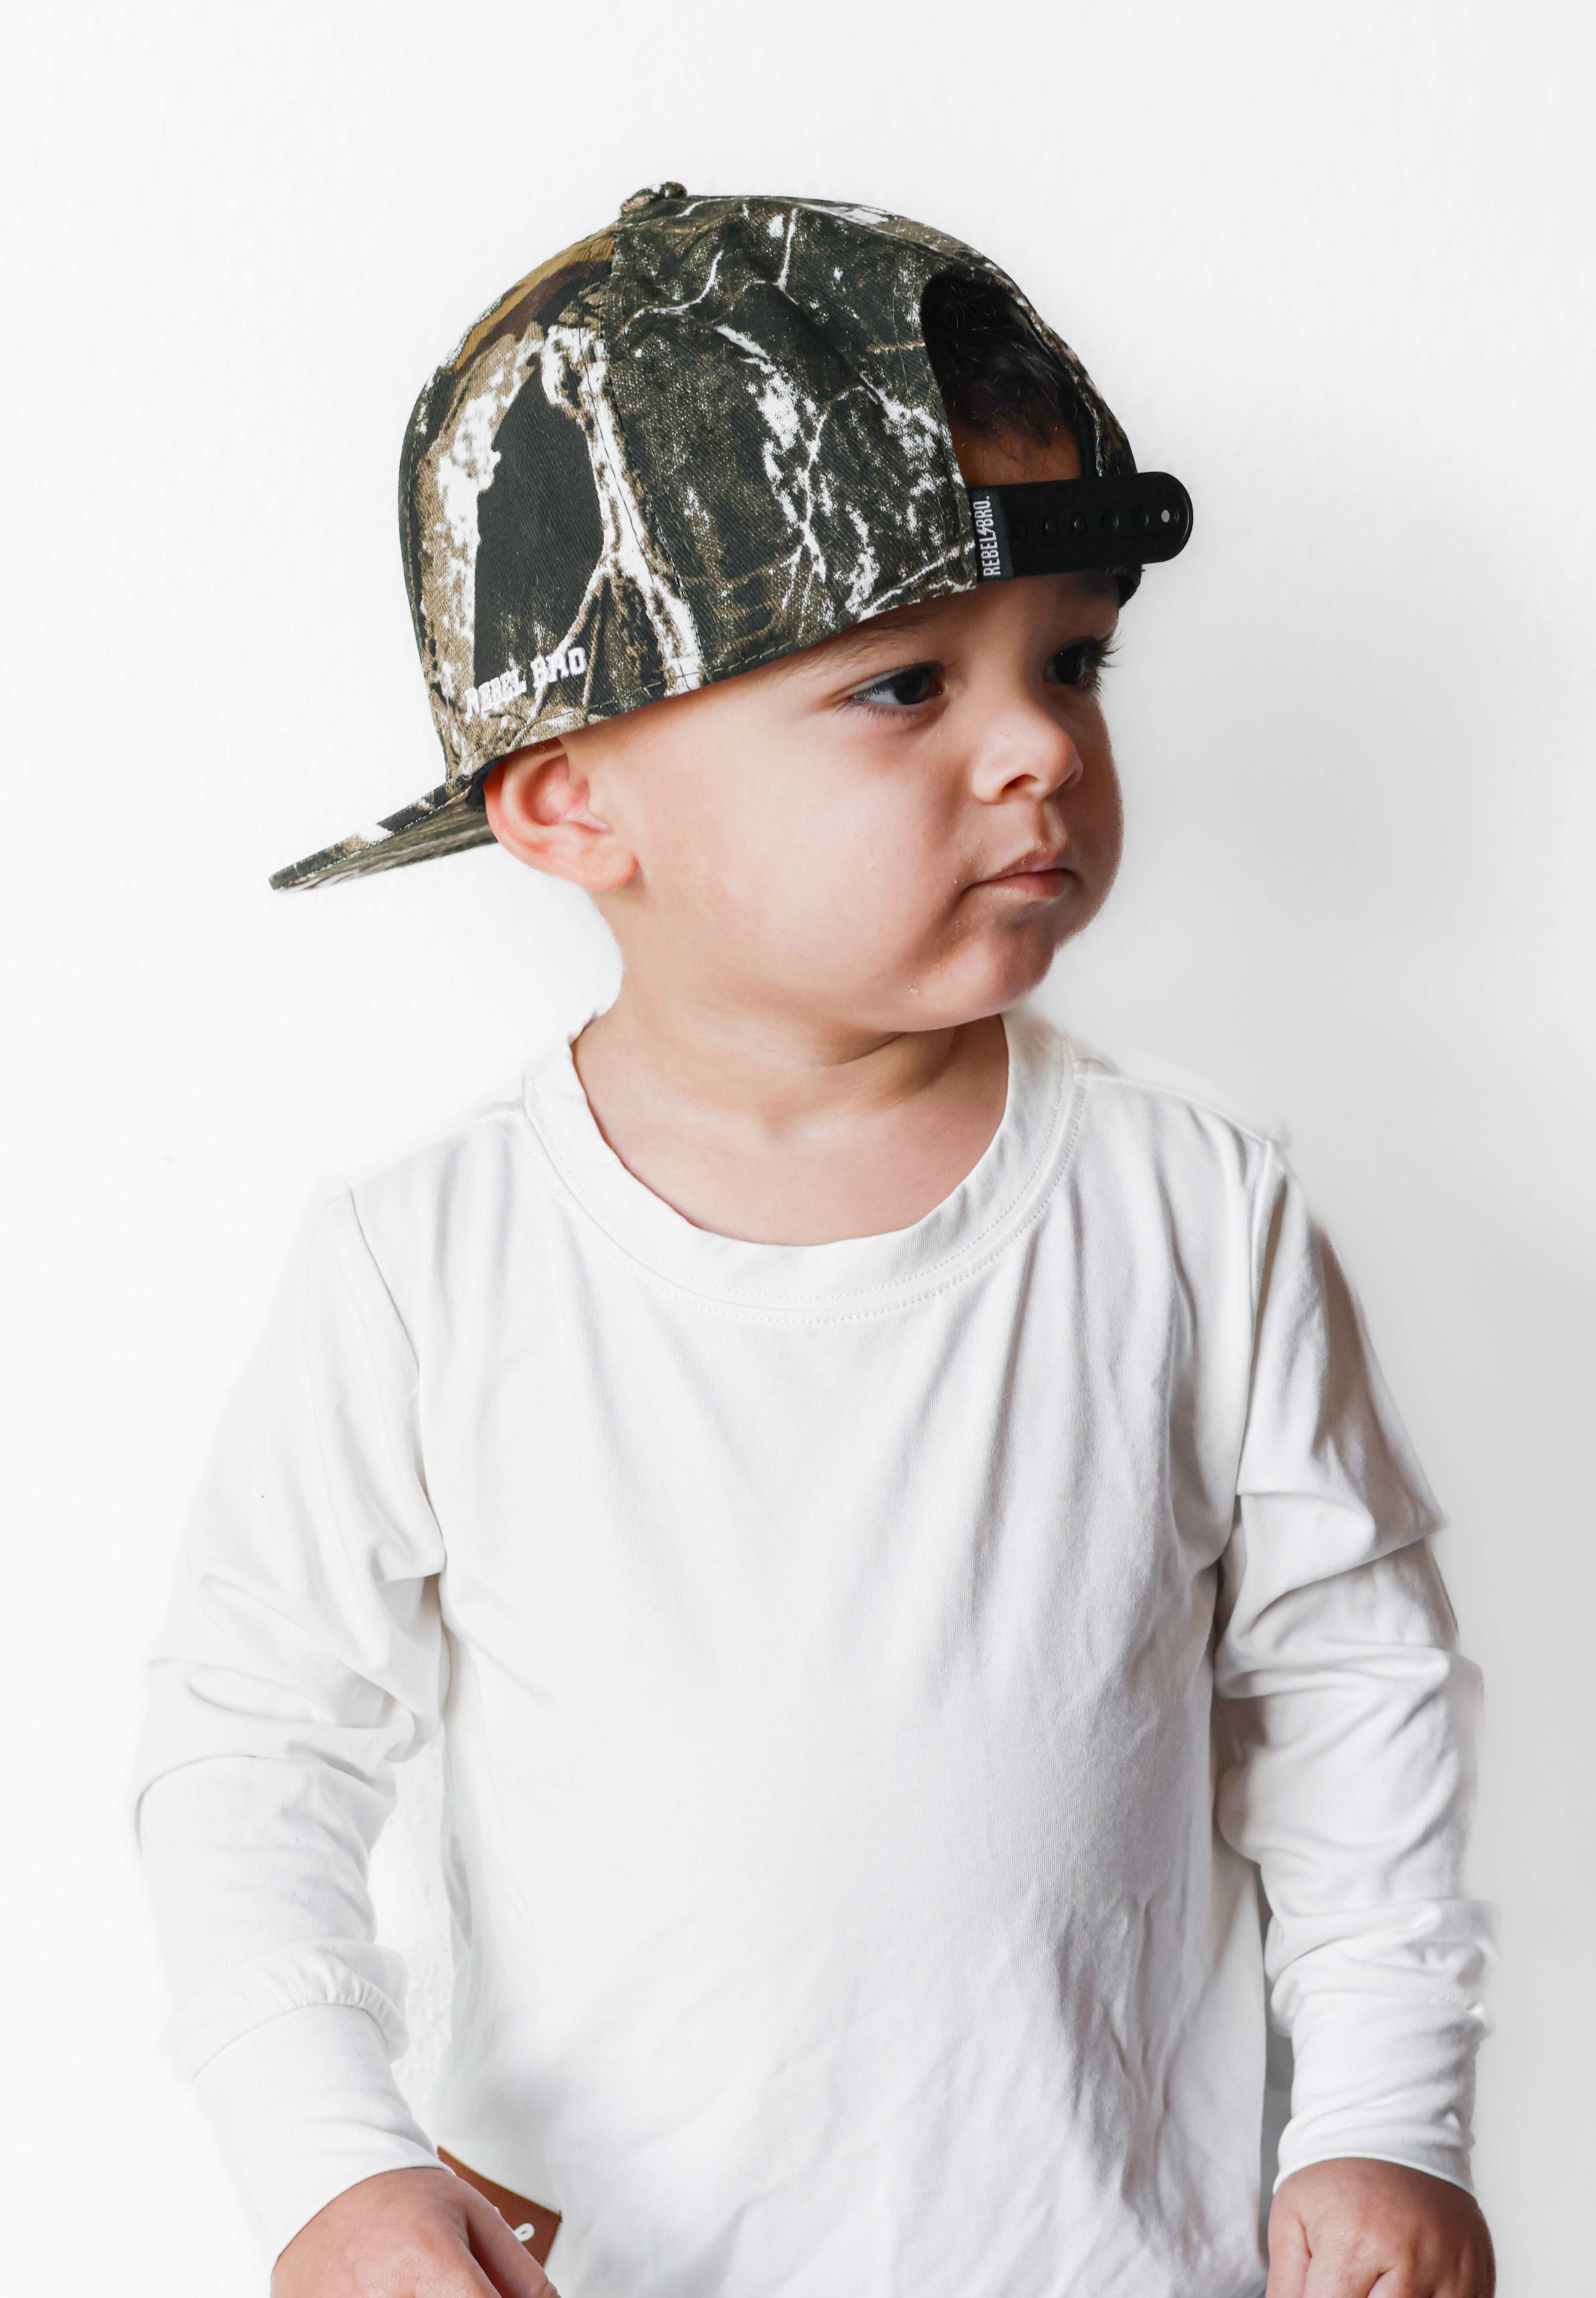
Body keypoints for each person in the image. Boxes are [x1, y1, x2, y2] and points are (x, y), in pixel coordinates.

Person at [133, 185, 1494, 2298]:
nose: (1040, 746)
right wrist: (332, 2167)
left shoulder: (1193, 1215)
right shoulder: (433, 1267)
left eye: (1072, 661)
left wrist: (1387, 2118)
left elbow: (1353, 1692)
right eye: (902, 685)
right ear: (573, 801)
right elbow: (252, 1753)